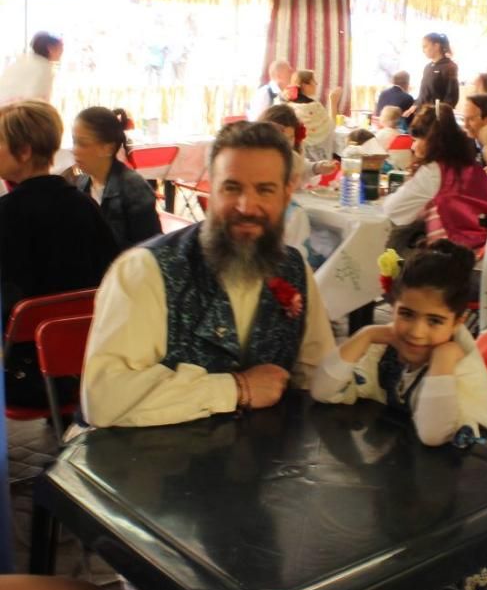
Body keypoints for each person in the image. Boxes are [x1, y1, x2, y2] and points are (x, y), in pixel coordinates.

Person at [81, 121, 336, 427]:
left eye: (264, 190)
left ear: (285, 195)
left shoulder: (295, 269)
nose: (246, 205)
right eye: (232, 187)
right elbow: (103, 399)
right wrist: (235, 388)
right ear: (209, 190)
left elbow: (318, 375)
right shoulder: (145, 271)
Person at [311, 240, 487, 446]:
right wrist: (367, 334)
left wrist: (443, 358)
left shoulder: (459, 367)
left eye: (435, 321)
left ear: (457, 322)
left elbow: (433, 435)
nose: (417, 332)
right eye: (407, 314)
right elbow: (322, 391)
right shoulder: (383, 350)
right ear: (393, 307)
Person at [0, 100, 118, 408]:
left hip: (20, 373)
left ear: (23, 151)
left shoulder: (7, 215)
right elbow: (112, 275)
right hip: (89, 364)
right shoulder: (84, 206)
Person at [382, 103, 487, 252]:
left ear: (431, 140)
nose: (413, 147)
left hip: (455, 256)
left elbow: (392, 209)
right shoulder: (472, 167)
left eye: (416, 140)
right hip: (486, 249)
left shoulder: (434, 172)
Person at [72, 106, 162, 250]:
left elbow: (151, 250)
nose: (75, 150)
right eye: (74, 142)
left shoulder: (134, 189)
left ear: (107, 148)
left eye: (82, 143)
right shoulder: (81, 184)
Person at [257, 103, 337, 179]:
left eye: (290, 138)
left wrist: (317, 168)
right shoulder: (254, 158)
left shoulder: (292, 155)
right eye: (280, 138)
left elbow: (300, 168)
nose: (286, 144)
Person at [283, 69, 340, 162]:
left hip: (295, 156)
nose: (316, 85)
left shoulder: (287, 104)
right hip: (316, 160)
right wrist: (333, 101)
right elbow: (330, 127)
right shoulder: (314, 107)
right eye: (314, 82)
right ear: (305, 85)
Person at [0, 31, 64, 105]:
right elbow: (39, 100)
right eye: (60, 48)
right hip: (18, 111)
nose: (62, 52)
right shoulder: (44, 67)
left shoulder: (22, 61)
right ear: (50, 48)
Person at [413, 33, 459, 109]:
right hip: (422, 114)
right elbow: (423, 94)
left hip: (435, 116)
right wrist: (414, 106)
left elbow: (451, 97)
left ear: (436, 46)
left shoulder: (449, 67)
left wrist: (440, 115)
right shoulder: (427, 67)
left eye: (425, 46)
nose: (423, 51)